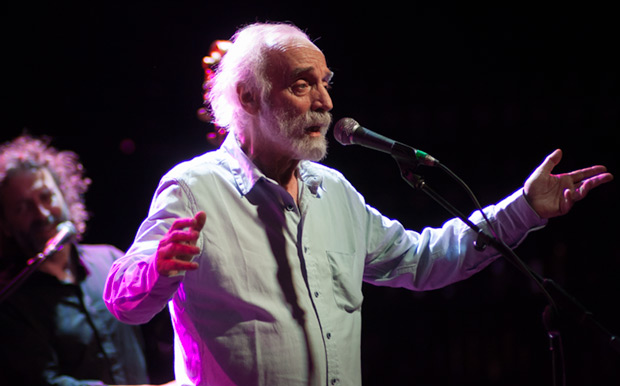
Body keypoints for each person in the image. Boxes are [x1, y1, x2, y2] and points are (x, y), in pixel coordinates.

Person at [103, 22, 614, 386]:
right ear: (249, 97)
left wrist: (524, 207)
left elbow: (422, 260)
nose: (325, 102)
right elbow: (122, 300)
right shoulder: (194, 188)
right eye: (302, 85)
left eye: (325, 83)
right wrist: (156, 271)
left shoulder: (334, 191)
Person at [0, 135, 171, 385]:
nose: (42, 213)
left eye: (46, 197)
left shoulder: (110, 259)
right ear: (5, 225)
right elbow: (44, 381)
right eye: (23, 207)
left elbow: (160, 334)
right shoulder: (12, 302)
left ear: (64, 194)